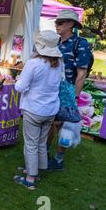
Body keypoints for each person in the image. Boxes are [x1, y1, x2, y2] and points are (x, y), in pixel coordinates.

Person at [14, 30, 63, 189]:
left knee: (31, 144)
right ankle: (34, 170)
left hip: (34, 109)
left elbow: (20, 87)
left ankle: (30, 179)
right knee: (41, 143)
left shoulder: (33, 63)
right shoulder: (59, 63)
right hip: (50, 109)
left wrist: (17, 80)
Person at [47, 9, 90, 171]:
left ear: (71, 24)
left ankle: (58, 160)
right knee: (49, 122)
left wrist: (75, 98)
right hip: (52, 89)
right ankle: (44, 155)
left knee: (65, 126)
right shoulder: (56, 42)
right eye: (56, 22)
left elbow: (82, 73)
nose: (57, 25)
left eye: (61, 22)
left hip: (69, 90)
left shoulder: (81, 44)